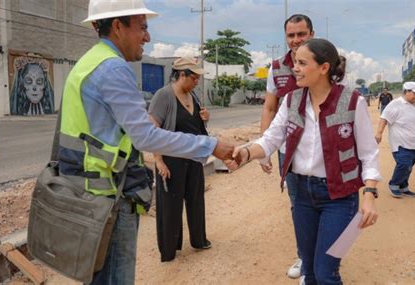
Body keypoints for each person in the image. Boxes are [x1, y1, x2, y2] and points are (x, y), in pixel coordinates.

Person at [58, 1, 234, 284]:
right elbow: (146, 136)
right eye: (143, 27)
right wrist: (209, 145)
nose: (147, 38)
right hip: (109, 198)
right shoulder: (113, 69)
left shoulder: (87, 63)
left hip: (88, 192)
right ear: (118, 26)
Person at [226, 38, 380, 285]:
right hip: (303, 195)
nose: (294, 68)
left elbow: (368, 153)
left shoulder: (353, 102)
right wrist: (244, 154)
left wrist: (370, 196)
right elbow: (270, 140)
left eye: (301, 63)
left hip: (340, 199)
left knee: (326, 273)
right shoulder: (291, 101)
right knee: (308, 270)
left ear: (324, 68)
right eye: (295, 62)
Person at [260, 13, 315, 279]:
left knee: (327, 201)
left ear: (311, 35)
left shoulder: (325, 62)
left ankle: (323, 259)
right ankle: (305, 259)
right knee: (298, 204)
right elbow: (270, 107)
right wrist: (264, 149)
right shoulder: (276, 68)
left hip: (321, 150)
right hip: (289, 151)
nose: (296, 40)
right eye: (291, 35)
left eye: (301, 34)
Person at [148, 57, 212, 262]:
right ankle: (169, 249)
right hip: (172, 159)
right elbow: (152, 130)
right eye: (194, 77)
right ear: (181, 74)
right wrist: (159, 160)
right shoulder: (164, 95)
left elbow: (195, 126)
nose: (197, 82)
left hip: (193, 158)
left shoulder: (192, 95)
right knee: (170, 205)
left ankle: (199, 240)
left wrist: (205, 119)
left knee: (195, 200)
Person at [375, 82, 415, 198]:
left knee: (409, 167)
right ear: (406, 91)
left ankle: (403, 187)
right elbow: (384, 118)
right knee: (404, 164)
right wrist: (379, 133)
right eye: (414, 93)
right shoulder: (395, 104)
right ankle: (394, 184)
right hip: (401, 143)